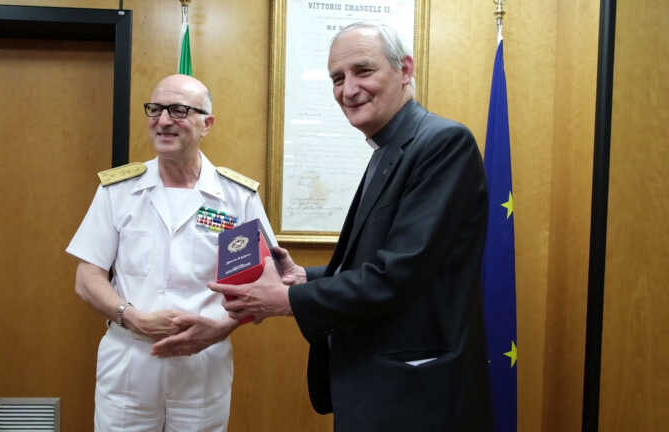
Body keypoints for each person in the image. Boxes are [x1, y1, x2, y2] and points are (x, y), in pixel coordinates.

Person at [209, 23, 493, 431]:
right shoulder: (387, 148)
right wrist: (304, 278)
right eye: (337, 78)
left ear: (405, 69)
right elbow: (376, 261)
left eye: (363, 71)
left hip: (415, 395)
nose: (348, 89)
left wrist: (286, 300)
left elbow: (398, 275)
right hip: (375, 385)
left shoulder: (442, 143)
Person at [66, 74, 275, 432]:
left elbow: (263, 285)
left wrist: (220, 329)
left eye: (178, 110)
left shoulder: (236, 197)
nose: (163, 120)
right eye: (156, 109)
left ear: (207, 123)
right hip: (130, 357)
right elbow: (87, 278)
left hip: (202, 363)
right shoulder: (119, 190)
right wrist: (133, 318)